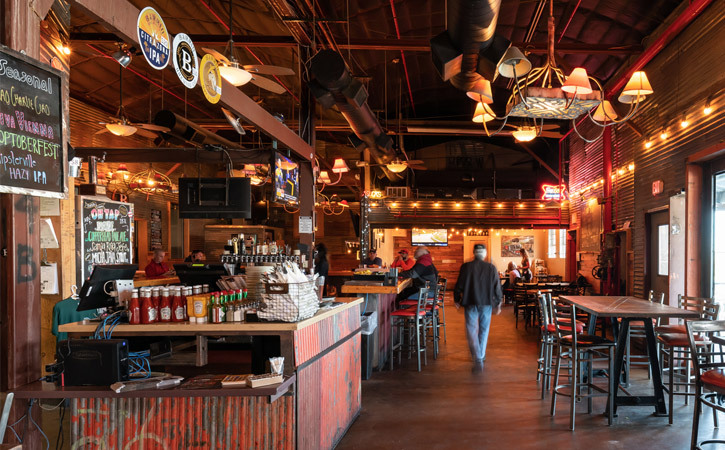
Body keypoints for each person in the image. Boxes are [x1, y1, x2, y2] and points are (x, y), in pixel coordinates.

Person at [454, 244, 503, 373]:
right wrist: (498, 302)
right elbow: (497, 286)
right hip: (486, 303)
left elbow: (459, 284)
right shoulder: (491, 268)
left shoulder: (465, 267)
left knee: (471, 330)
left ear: (474, 253)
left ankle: (477, 354)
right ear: (485, 254)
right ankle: (480, 355)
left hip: (470, 301)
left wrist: (456, 299)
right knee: (484, 330)